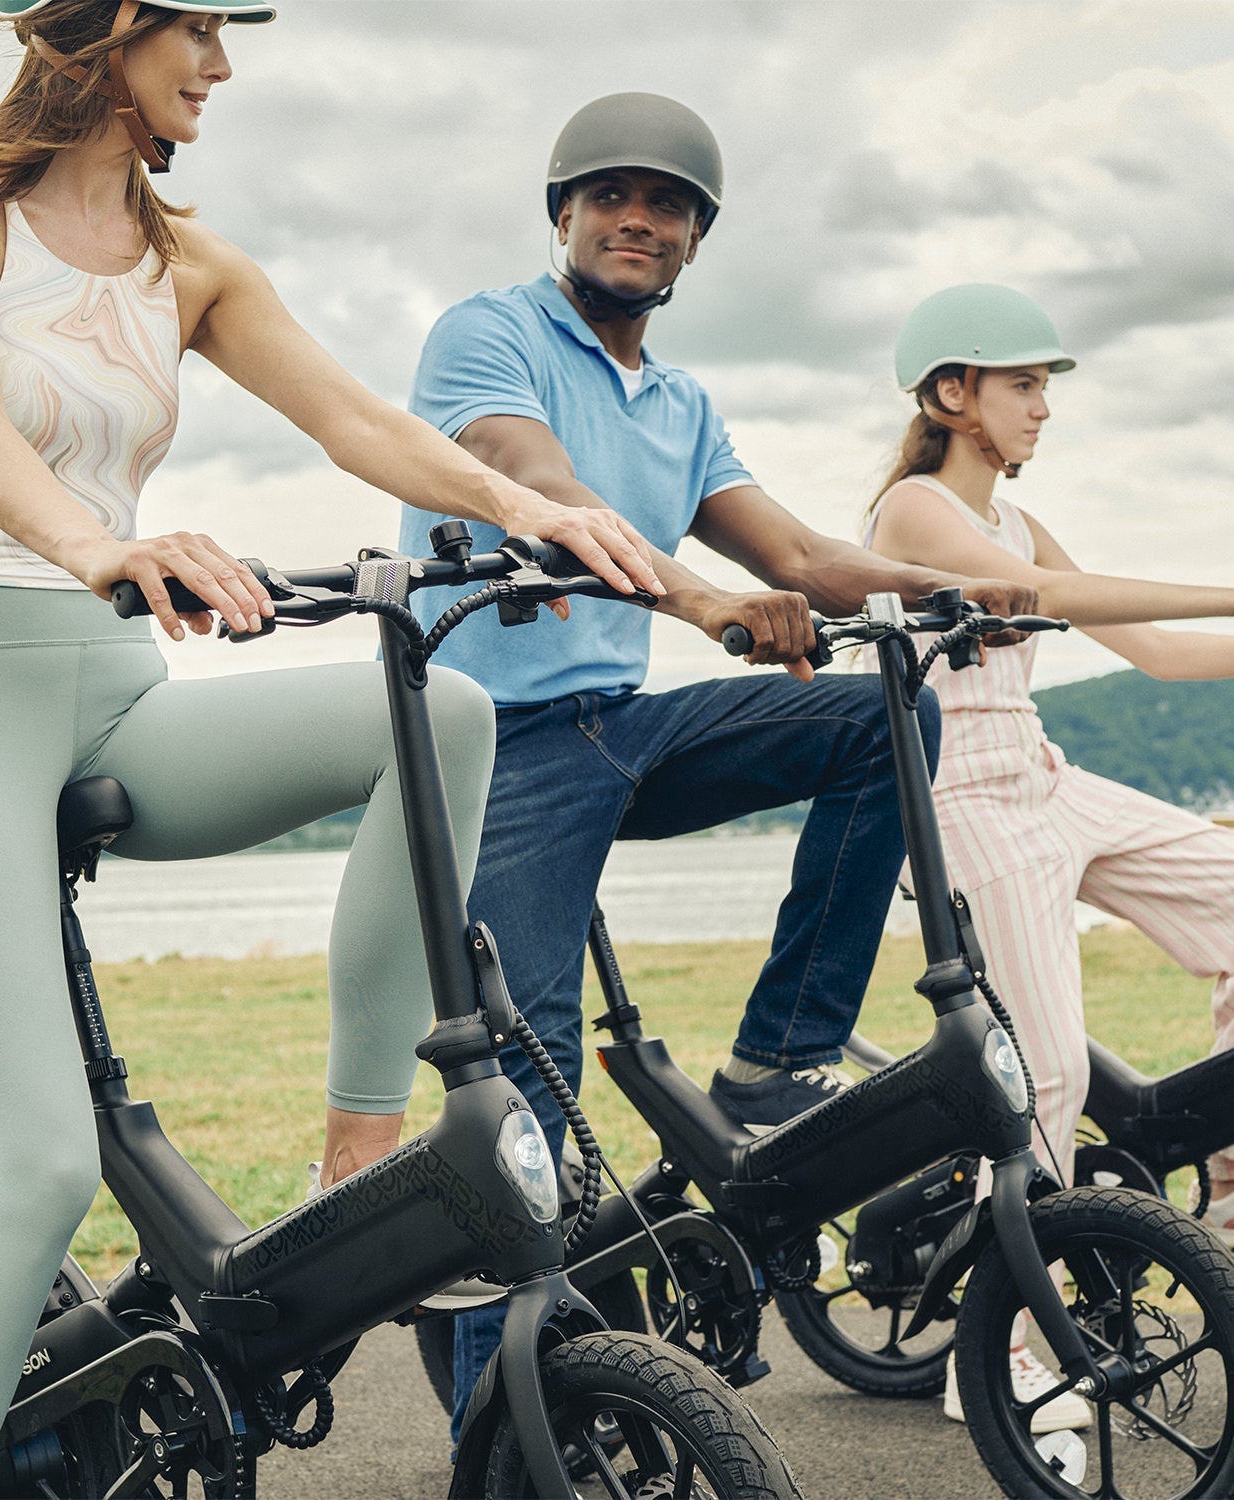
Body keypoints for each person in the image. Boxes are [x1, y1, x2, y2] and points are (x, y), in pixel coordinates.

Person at [0, 6, 662, 1496]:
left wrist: (528, 508)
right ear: (101, 28)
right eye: (198, 27)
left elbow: (356, 420)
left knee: (440, 719)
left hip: (109, 693)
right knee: (34, 1171)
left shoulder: (190, 264)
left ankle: (357, 1154)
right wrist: (108, 546)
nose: (221, 64)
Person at [395, 91, 1035, 1442]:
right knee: (529, 1078)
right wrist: (704, 607)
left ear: (695, 242)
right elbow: (545, 490)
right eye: (614, 196)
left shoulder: (681, 399)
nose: (641, 219)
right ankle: (496, 1433)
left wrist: (952, 592)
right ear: (563, 213)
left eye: (670, 205)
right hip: (500, 749)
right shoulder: (490, 335)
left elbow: (801, 560)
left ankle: (777, 1059)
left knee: (880, 719)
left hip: (622, 723)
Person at [863, 281, 1234, 1425]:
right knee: (1048, 1078)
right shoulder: (914, 512)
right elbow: (1046, 598)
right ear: (951, 391)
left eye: (1043, 386)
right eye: (1024, 383)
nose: (1042, 406)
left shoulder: (1016, 520)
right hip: (964, 797)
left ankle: (1224, 1192)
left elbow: (1163, 655)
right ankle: (1012, 1345)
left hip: (1045, 772)